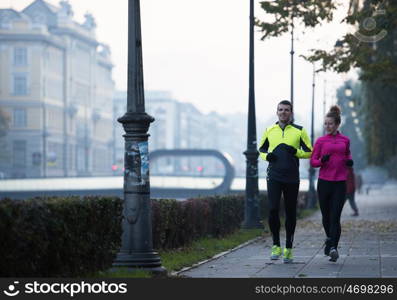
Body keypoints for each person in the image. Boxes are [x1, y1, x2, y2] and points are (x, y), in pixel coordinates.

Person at [258, 100, 312, 263]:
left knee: (290, 212)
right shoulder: (269, 130)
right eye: (280, 110)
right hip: (273, 176)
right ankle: (276, 245)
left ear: (291, 113)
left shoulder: (299, 131)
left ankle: (288, 247)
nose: (283, 112)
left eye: (286, 110)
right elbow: (261, 149)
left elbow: (310, 152)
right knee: (273, 209)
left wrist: (296, 151)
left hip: (291, 177)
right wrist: (268, 156)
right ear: (277, 112)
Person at [310, 105, 353, 262]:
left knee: (335, 217)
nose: (327, 126)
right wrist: (322, 161)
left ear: (337, 124)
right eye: (325, 124)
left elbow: (347, 154)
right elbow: (313, 162)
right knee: (326, 217)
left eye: (330, 123)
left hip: (340, 183)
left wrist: (349, 161)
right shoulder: (320, 141)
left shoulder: (345, 140)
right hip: (324, 183)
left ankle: (333, 247)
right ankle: (329, 240)